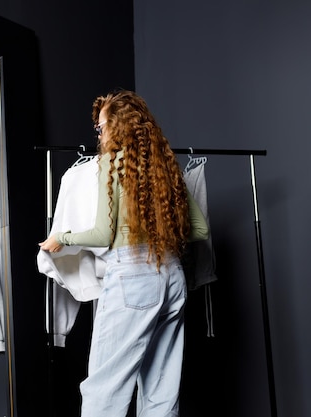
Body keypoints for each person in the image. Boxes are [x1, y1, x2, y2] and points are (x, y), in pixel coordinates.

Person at [39, 89, 209, 417]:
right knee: (161, 392)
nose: (99, 135)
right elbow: (200, 230)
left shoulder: (111, 164)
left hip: (132, 276)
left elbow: (103, 234)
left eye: (101, 128)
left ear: (119, 128)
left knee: (104, 390)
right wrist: (161, 236)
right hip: (172, 276)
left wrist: (62, 236)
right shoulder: (166, 167)